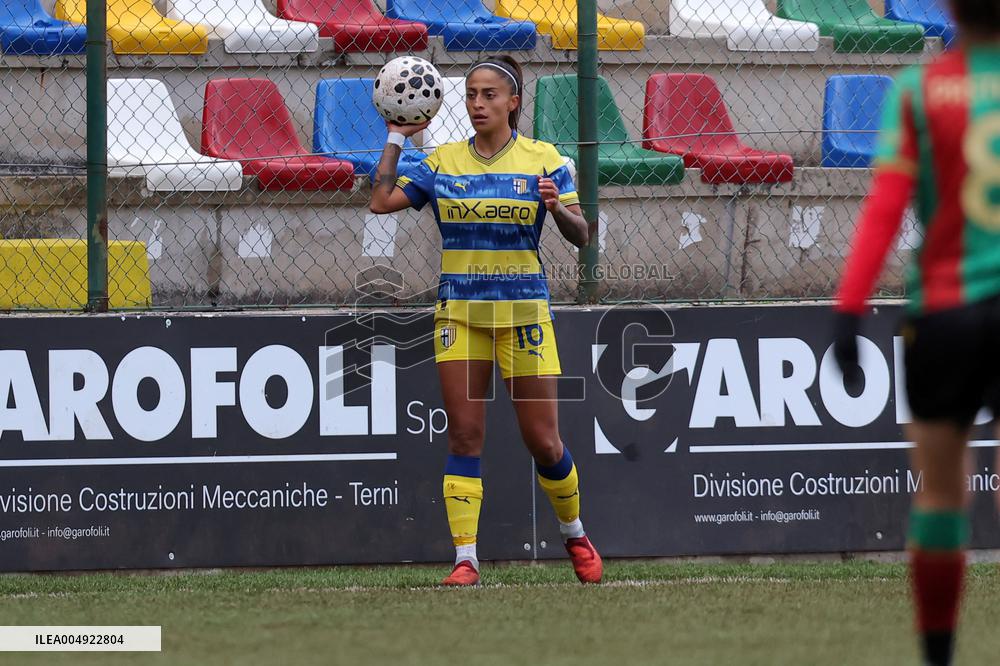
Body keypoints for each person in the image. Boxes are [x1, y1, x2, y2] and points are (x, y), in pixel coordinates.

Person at [369, 55, 603, 586]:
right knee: (465, 436)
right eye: (472, 94)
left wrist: (558, 208)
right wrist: (396, 136)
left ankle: (574, 533)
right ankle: (466, 559)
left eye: (490, 95)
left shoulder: (544, 159)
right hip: (461, 316)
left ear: (513, 102)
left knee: (543, 442)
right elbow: (380, 201)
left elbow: (582, 234)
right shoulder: (444, 162)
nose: (478, 103)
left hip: (524, 316)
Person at [832, 2, 1000, 664]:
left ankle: (938, 657)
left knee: (939, 495)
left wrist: (848, 310)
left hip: (944, 314)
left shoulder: (918, 90)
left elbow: (884, 209)